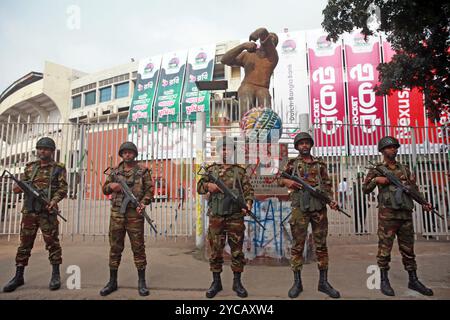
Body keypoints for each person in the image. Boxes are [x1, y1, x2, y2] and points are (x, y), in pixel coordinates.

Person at [362, 136, 434, 297]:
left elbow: (413, 189)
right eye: (389, 147)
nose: (393, 149)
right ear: (382, 151)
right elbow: (365, 188)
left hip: (405, 215)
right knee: (384, 249)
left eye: (395, 147)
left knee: (408, 249)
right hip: (387, 216)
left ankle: (413, 279)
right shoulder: (377, 169)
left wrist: (424, 202)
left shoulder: (405, 169)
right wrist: (376, 180)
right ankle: (384, 280)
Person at [279, 132, 341, 299]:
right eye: (301, 143)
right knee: (298, 245)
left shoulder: (320, 164)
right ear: (297, 146)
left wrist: (331, 200)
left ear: (311, 145)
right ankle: (297, 282)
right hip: (300, 208)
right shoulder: (292, 164)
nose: (304, 145)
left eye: (307, 143)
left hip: (319, 208)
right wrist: (287, 182)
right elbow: (279, 178)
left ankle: (323, 282)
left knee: (321, 245)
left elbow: (327, 185)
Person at [3, 137, 68, 292]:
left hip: (47, 212)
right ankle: (18, 276)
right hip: (29, 212)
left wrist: (54, 201)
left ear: (52, 151)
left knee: (52, 243)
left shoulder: (58, 168)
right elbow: (21, 185)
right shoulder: (30, 167)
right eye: (39, 148)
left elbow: (63, 188)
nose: (42, 151)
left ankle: (55, 275)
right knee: (24, 244)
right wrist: (17, 188)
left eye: (45, 149)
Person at [197, 137, 255, 298]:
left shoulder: (239, 171)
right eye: (222, 148)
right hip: (216, 216)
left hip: (235, 216)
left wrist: (248, 204)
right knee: (216, 251)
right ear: (218, 151)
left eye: (228, 148)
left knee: (237, 251)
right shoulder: (211, 170)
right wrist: (209, 186)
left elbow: (249, 191)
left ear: (232, 151)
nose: (225, 151)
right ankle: (216, 282)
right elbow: (199, 187)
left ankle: (237, 283)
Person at [100, 141, 154, 296]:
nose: (127, 154)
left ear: (135, 154)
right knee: (115, 248)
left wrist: (143, 203)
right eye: (124, 152)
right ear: (121, 154)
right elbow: (104, 189)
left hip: (135, 215)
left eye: (130, 152)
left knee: (138, 248)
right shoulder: (115, 172)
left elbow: (150, 190)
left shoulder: (143, 171)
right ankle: (112, 281)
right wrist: (111, 187)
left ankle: (141, 282)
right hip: (117, 214)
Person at [221, 27, 279, 117]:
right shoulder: (248, 54)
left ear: (274, 46)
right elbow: (224, 60)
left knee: (265, 106)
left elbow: (263, 31)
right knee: (246, 94)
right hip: (247, 85)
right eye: (269, 37)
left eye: (273, 40)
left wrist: (257, 33)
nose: (269, 40)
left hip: (263, 88)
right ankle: (246, 128)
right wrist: (242, 46)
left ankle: (265, 128)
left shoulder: (273, 57)